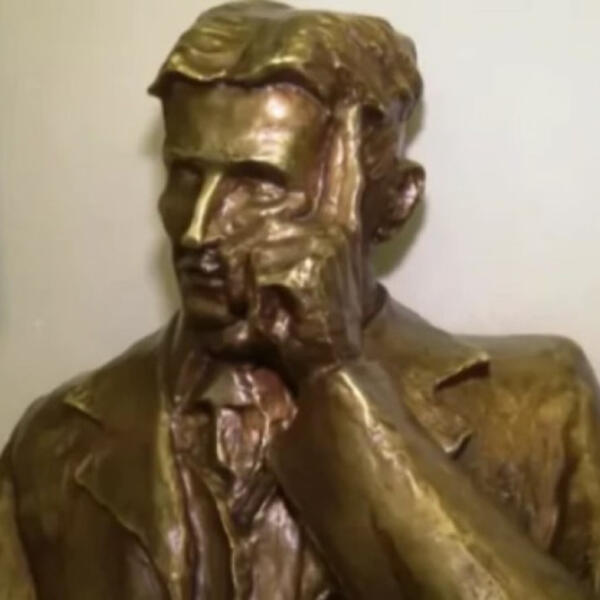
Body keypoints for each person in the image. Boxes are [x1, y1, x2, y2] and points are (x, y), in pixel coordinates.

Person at [2, 2, 599, 598]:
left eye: (258, 184)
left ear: (392, 202)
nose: (198, 230)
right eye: (185, 176)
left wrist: (337, 380)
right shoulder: (54, 443)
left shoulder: (542, 415)